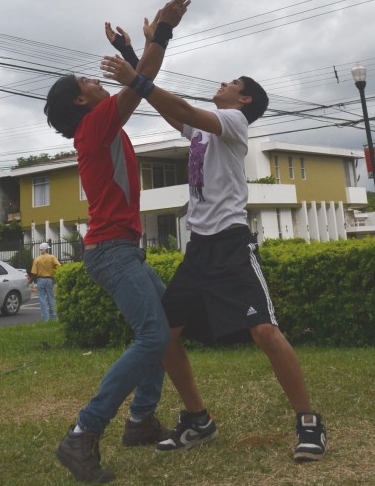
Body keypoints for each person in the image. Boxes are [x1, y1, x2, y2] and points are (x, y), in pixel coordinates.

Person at [100, 57, 328, 464]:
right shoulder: (205, 133)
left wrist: (135, 79)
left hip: (231, 246)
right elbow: (174, 113)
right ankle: (198, 419)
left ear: (244, 99)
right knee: (163, 337)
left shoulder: (235, 123)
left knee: (265, 332)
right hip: (199, 250)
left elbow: (185, 110)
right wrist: (136, 57)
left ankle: (309, 420)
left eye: (232, 82)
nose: (223, 83)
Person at [45, 0, 190, 485]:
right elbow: (139, 84)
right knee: (153, 335)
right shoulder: (93, 126)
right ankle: (83, 433)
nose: (96, 78)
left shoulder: (100, 124)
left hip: (120, 249)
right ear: (82, 101)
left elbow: (142, 86)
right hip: (110, 252)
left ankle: (141, 419)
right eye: (88, 80)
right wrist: (162, 33)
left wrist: (136, 51)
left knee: (166, 326)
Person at [30, 242, 62, 322]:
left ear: (40, 250)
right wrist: (54, 273)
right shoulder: (52, 257)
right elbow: (59, 266)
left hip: (40, 280)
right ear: (47, 249)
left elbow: (34, 273)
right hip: (49, 279)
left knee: (42, 299)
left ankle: (45, 319)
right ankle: (54, 317)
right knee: (51, 298)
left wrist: (29, 280)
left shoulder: (37, 259)